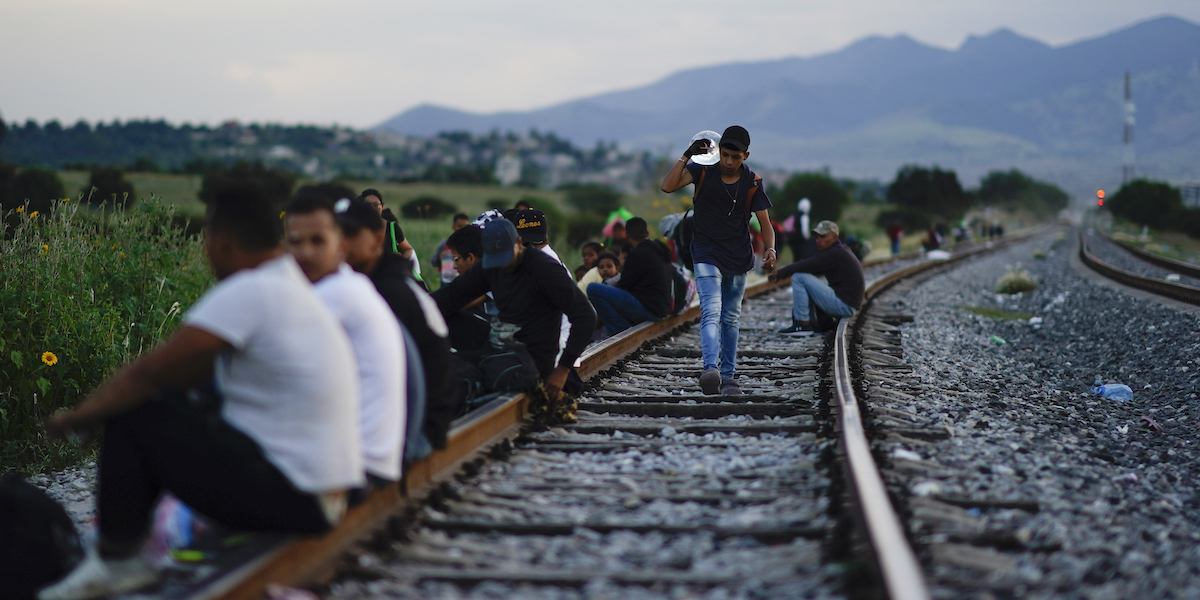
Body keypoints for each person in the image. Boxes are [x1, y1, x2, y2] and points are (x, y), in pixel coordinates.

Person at [40, 184, 362, 600]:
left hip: (294, 495)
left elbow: (151, 371)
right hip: (321, 494)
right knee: (166, 402)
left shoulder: (252, 289)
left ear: (222, 239)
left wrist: (76, 417)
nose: (207, 250)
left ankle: (118, 561)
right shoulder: (287, 286)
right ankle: (136, 547)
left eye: (208, 239)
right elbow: (189, 372)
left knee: (140, 409)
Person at [284, 194, 405, 485]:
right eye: (296, 242)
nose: (305, 254)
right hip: (372, 458)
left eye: (318, 241)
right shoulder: (356, 285)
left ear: (341, 245)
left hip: (355, 466)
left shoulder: (335, 294)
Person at [336, 197, 459, 454]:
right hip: (413, 417)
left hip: (418, 429)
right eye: (335, 233)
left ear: (378, 238)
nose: (341, 243)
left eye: (350, 233)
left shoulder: (390, 292)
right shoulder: (381, 280)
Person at [660, 125, 776, 396]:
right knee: (711, 310)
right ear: (719, 150)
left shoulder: (753, 183)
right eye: (724, 154)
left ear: (745, 156)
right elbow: (667, 186)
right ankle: (710, 369)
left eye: (735, 157)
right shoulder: (702, 170)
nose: (728, 161)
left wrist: (770, 249)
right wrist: (686, 156)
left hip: (738, 255)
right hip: (705, 251)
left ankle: (728, 375)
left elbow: (765, 224)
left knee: (731, 317)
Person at [432, 219, 596, 400]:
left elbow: (585, 316)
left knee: (466, 374)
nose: (501, 265)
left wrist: (563, 369)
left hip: (532, 358)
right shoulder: (491, 265)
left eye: (505, 257)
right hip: (503, 344)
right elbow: (451, 296)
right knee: (439, 319)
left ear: (518, 243)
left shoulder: (544, 269)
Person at [769, 220, 864, 336]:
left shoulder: (835, 253)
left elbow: (807, 264)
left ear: (834, 237)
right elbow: (810, 266)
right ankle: (813, 323)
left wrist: (781, 272)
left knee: (799, 277)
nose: (818, 241)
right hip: (847, 303)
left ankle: (803, 325)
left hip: (844, 305)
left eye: (823, 237)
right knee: (807, 278)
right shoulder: (839, 251)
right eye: (817, 237)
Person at [587, 217, 673, 336]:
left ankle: (621, 331)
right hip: (662, 310)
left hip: (647, 309)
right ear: (647, 233)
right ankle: (625, 329)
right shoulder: (660, 251)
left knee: (593, 288)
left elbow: (624, 286)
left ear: (626, 236)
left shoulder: (636, 254)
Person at [359, 188, 423, 281]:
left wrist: (399, 261)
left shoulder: (392, 227)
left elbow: (408, 249)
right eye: (368, 205)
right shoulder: (357, 229)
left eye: (376, 205)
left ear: (382, 206)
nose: (372, 208)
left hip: (392, 277)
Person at [431, 212, 470, 285]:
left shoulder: (470, 244)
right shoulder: (444, 245)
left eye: (465, 226)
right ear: (453, 227)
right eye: (460, 226)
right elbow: (433, 261)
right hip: (446, 282)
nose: (463, 229)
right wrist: (440, 258)